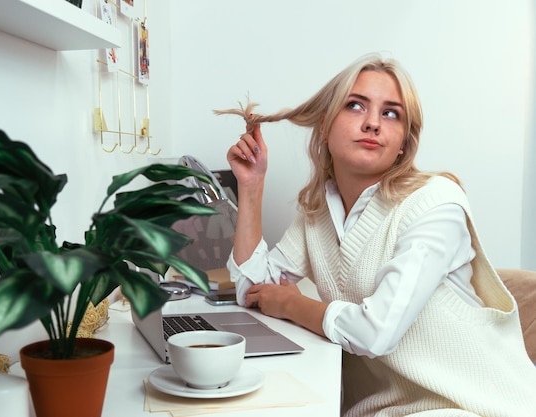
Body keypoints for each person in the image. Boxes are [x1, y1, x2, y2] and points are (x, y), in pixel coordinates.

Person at [215, 53, 536, 417]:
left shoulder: (435, 204)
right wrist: (252, 187)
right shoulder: (318, 214)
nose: (372, 124)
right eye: (355, 106)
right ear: (324, 126)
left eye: (391, 113)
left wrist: (292, 304)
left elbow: (376, 331)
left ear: (403, 142)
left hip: (475, 407)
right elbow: (253, 290)